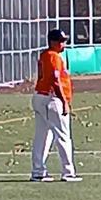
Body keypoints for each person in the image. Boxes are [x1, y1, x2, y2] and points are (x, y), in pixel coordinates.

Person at [31, 28, 80, 183]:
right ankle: (68, 172)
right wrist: (64, 101)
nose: (63, 44)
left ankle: (38, 171)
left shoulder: (46, 55)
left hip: (41, 96)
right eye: (61, 41)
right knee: (63, 136)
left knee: (43, 136)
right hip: (51, 99)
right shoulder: (53, 56)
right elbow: (55, 80)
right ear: (53, 42)